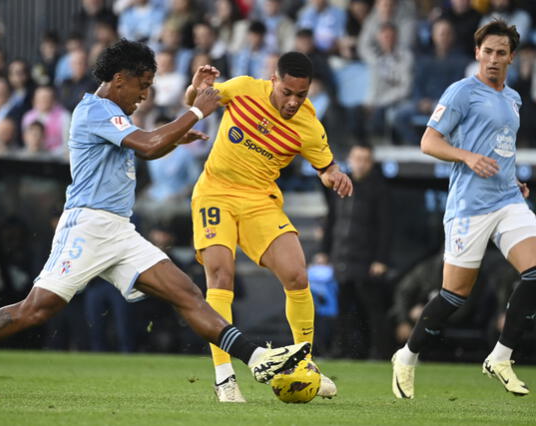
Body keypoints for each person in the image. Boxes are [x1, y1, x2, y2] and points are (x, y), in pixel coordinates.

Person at [0, 39, 310, 396]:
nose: (144, 95)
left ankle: (257, 358)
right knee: (34, 309)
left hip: (119, 230)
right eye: (143, 85)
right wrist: (194, 112)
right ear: (120, 79)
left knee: (186, 293)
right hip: (85, 226)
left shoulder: (112, 113)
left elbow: (151, 149)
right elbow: (150, 141)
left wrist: (176, 136)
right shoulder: (94, 111)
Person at [184, 51, 353, 402]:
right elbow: (197, 102)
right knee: (220, 274)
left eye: (301, 95)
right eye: (287, 92)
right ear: (273, 80)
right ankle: (225, 378)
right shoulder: (245, 88)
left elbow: (326, 166)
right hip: (215, 192)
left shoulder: (308, 124)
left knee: (297, 275)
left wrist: (334, 176)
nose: (292, 102)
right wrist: (195, 89)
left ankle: (305, 365)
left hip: (260, 200)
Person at [391, 20, 535, 399]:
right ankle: (406, 357)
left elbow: (500, 146)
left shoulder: (513, 98)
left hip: (507, 201)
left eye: (500, 53)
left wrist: (513, 177)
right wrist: (467, 156)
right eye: (486, 52)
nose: (492, 59)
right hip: (469, 207)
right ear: (476, 54)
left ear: (511, 58)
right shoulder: (461, 92)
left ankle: (501, 356)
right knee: (454, 295)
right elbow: (428, 141)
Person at [320, 143, 391, 360]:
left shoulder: (380, 189)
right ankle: (341, 350)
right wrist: (325, 250)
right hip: (342, 255)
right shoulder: (340, 184)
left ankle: (378, 352)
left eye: (365, 159)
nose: (360, 164)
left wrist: (380, 258)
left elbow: (386, 227)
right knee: (342, 308)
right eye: (357, 158)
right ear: (349, 160)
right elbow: (332, 219)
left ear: (371, 163)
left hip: (366, 258)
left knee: (371, 309)